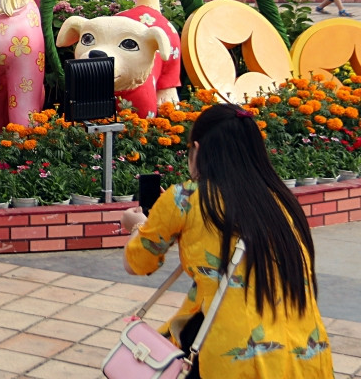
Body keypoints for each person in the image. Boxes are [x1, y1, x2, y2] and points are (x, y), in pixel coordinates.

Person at [120, 104, 333, 377]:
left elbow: (136, 263)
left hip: (234, 361)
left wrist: (137, 225)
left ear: (197, 149)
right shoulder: (280, 199)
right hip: (306, 358)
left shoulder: (186, 198)